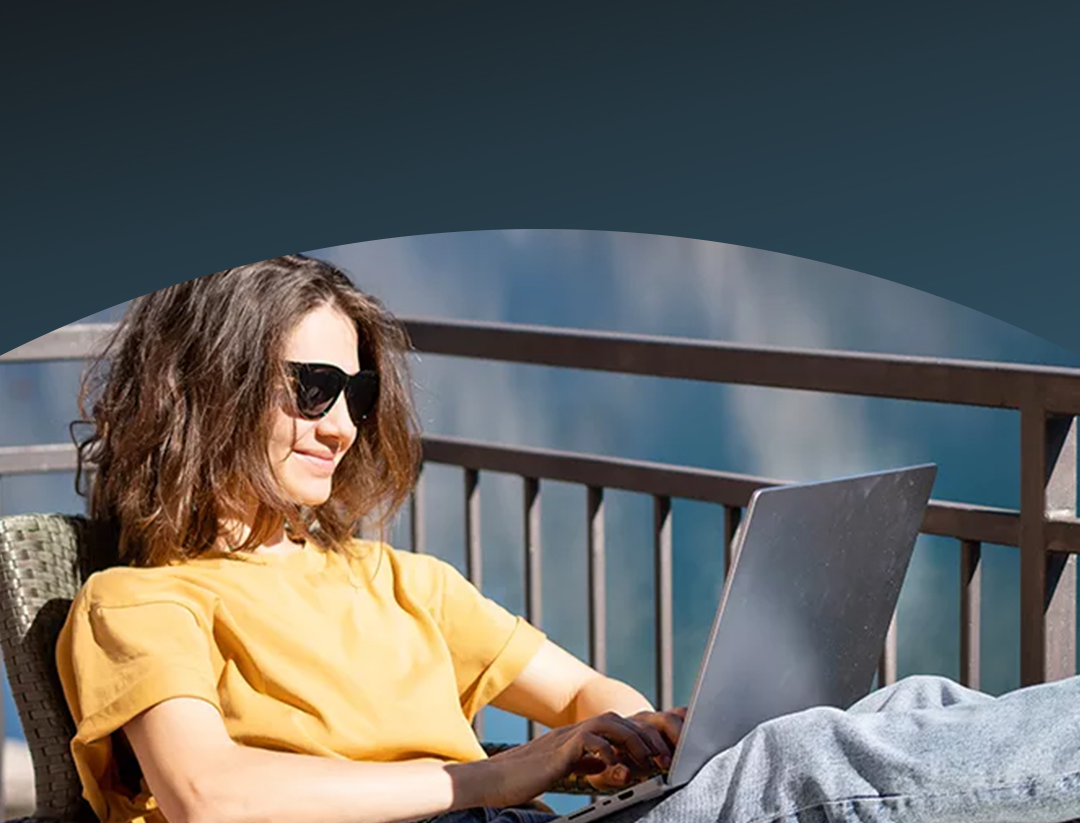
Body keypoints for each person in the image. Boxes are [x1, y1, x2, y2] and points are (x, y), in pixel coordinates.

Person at [56, 255, 1080, 823]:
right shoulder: (142, 606)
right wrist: (499, 776)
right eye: (312, 388)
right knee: (815, 767)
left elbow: (591, 697)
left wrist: (637, 737)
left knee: (903, 711)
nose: (342, 425)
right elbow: (207, 796)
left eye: (358, 394)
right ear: (205, 390)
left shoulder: (402, 584)